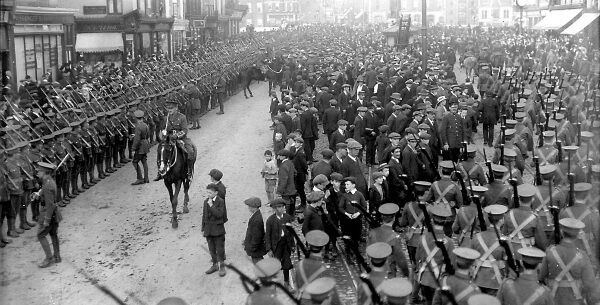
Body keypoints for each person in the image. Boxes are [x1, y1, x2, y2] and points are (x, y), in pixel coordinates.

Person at [539, 218, 600, 305]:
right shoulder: (582, 256)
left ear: (562, 233)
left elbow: (541, 276)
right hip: (575, 301)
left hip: (553, 300)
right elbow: (590, 284)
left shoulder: (550, 251)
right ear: (578, 235)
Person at [294, 230, 341, 305]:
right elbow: (334, 299)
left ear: (309, 245)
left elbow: (297, 289)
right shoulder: (325, 270)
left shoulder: (299, 265)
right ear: (322, 248)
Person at [154, 99, 195, 181]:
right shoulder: (166, 118)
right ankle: (160, 171)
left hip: (180, 139)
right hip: (168, 139)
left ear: (176, 108)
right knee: (160, 151)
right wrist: (164, 132)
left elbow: (184, 130)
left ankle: (189, 171)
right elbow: (163, 128)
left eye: (171, 108)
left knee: (190, 151)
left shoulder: (182, 117)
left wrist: (176, 136)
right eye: (168, 108)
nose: (169, 110)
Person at [34, 162, 63, 268]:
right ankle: (57, 257)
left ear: (45, 172)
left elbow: (49, 204)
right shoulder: (49, 181)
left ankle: (49, 258)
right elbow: (47, 193)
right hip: (54, 213)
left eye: (39, 171)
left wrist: (46, 220)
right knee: (53, 234)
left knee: (41, 235)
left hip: (48, 213)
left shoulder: (47, 185)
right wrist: (39, 194)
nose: (37, 173)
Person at [265, 198, 295, 291]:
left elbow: (291, 232)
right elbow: (267, 235)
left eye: (282, 207)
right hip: (276, 246)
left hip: (286, 244)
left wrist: (293, 244)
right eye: (279, 207)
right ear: (274, 209)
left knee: (287, 264)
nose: (282, 209)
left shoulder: (287, 217)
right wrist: (269, 249)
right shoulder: (270, 220)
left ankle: (286, 283)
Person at [202, 183, 227, 277]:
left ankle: (222, 266)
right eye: (207, 192)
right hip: (208, 230)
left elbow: (220, 215)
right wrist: (203, 228)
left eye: (210, 192)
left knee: (219, 249)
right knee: (211, 248)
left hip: (218, 230)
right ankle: (215, 265)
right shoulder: (205, 201)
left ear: (216, 192)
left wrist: (212, 205)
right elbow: (204, 215)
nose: (208, 194)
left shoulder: (220, 201)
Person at [243, 197, 267, 263]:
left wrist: (252, 247)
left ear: (253, 207)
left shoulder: (257, 219)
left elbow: (257, 236)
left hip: (256, 249)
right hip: (256, 247)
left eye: (249, 206)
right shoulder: (256, 215)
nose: (248, 208)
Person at [131, 110, 150, 185]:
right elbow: (147, 135)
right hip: (145, 144)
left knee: (135, 162)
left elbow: (137, 140)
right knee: (144, 161)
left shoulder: (138, 126)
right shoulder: (145, 125)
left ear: (136, 118)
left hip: (140, 147)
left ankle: (140, 178)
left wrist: (133, 149)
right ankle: (146, 178)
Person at [277, 149, 297, 216]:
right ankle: (292, 215)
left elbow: (283, 180)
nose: (278, 157)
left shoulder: (283, 166)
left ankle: (287, 217)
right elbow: (295, 173)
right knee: (292, 202)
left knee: (286, 203)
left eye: (279, 155)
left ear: (284, 156)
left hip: (286, 189)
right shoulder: (290, 163)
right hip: (292, 187)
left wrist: (280, 191)